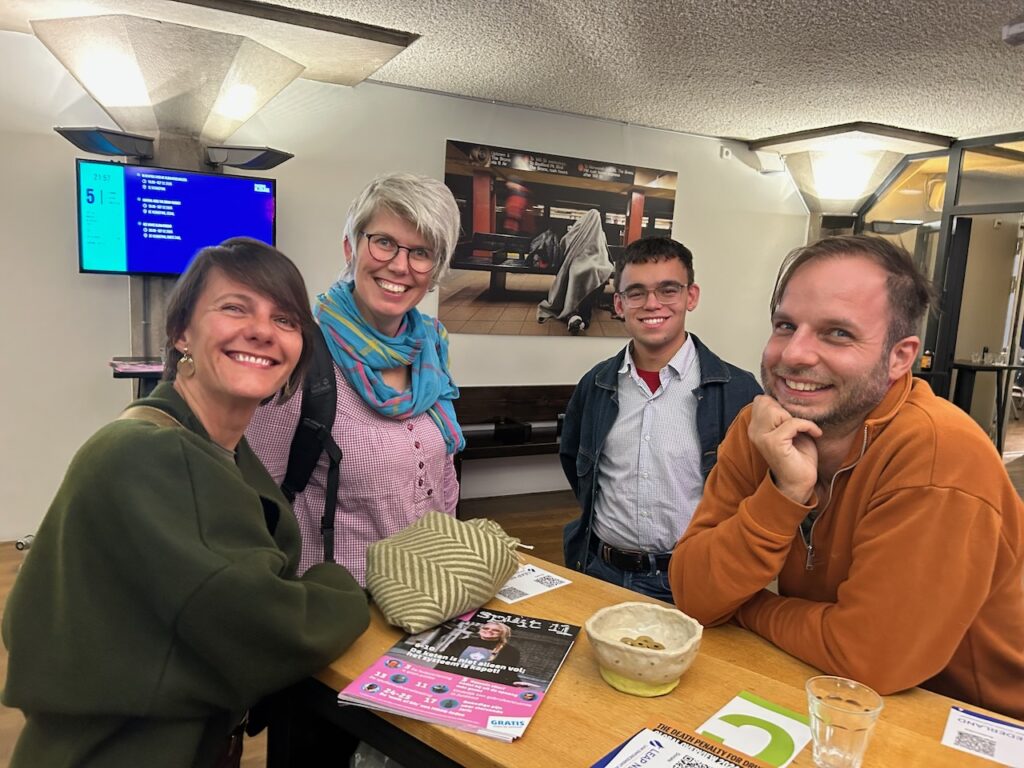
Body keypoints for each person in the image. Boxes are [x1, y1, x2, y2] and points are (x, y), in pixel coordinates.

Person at [2, 238, 371, 767]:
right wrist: (345, 586)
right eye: (235, 307)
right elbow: (265, 630)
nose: (263, 331)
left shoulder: (211, 446)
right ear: (181, 334)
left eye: (285, 319)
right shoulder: (150, 455)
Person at [669, 235, 1024, 720]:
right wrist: (784, 492)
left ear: (900, 357)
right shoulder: (760, 427)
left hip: (975, 719)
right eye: (785, 325)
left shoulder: (938, 453)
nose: (795, 354)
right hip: (835, 695)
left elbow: (871, 656)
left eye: (837, 333)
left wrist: (744, 607)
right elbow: (693, 593)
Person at [247, 173, 464, 586]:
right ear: (351, 247)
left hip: (429, 594)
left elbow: (444, 477)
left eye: (421, 252)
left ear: (435, 269)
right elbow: (256, 506)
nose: (399, 265)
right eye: (384, 242)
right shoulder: (298, 357)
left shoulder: (431, 348)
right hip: (339, 603)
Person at [561, 236, 761, 601]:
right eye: (636, 292)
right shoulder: (596, 384)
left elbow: (756, 490)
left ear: (691, 296)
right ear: (619, 304)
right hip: (602, 572)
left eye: (668, 290)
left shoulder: (739, 390)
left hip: (692, 578)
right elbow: (575, 461)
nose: (652, 304)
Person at [442, 621, 523, 685]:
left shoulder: (510, 651)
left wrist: (515, 682)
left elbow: (507, 673)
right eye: (486, 628)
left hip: (482, 685)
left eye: (496, 630)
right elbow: (444, 663)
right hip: (453, 680)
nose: (489, 631)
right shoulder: (461, 643)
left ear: (503, 633)